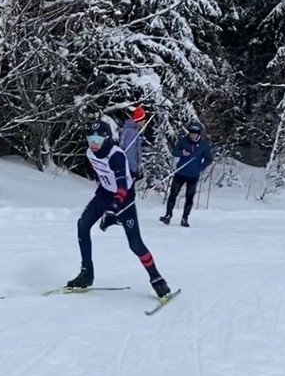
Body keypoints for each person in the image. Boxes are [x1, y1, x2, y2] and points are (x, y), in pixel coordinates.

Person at [68, 120, 172, 299]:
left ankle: (157, 279)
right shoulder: (89, 153)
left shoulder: (116, 156)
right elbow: (102, 176)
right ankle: (87, 274)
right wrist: (105, 202)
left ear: (107, 139)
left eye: (98, 139)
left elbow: (122, 187)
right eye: (90, 139)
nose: (93, 143)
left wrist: (112, 210)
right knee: (82, 225)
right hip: (105, 194)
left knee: (135, 244)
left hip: (124, 199)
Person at [160, 120, 213, 227]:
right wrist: (182, 153)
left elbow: (209, 159)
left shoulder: (203, 145)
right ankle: (168, 215)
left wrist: (200, 168)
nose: (192, 135)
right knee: (173, 194)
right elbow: (174, 152)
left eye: (195, 133)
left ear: (198, 134)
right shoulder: (183, 141)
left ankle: (185, 218)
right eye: (191, 133)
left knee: (189, 197)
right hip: (180, 173)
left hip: (193, 176)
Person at [119, 105, 145, 179]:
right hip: (129, 168)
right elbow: (130, 151)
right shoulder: (131, 132)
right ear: (139, 120)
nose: (144, 122)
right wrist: (133, 169)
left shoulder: (129, 130)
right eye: (143, 120)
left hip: (126, 167)